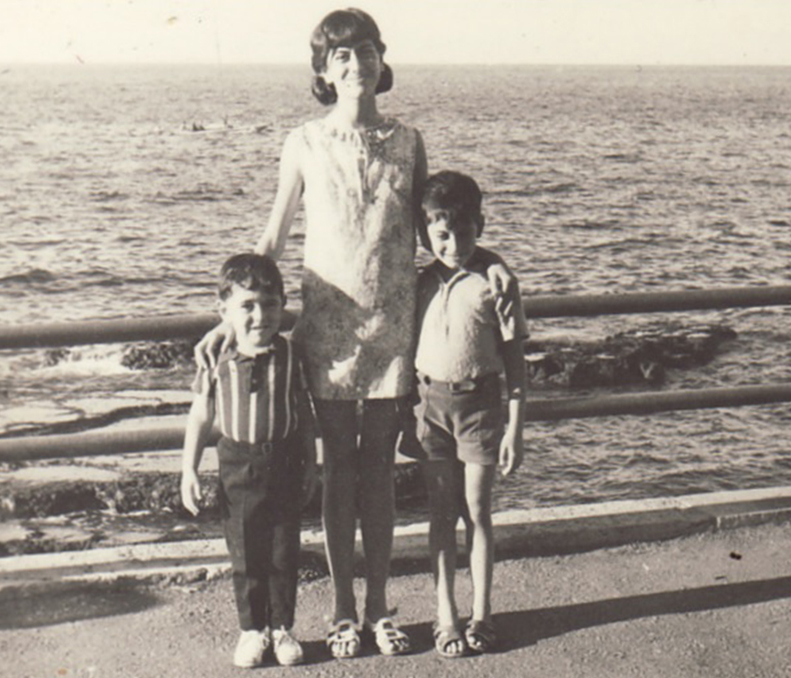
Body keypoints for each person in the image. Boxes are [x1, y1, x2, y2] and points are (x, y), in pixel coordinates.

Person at [194, 7, 516, 660]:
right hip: (329, 338)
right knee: (339, 474)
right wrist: (226, 320)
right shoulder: (304, 143)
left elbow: (439, 231)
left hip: (396, 333)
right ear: (323, 70)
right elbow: (274, 236)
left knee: (378, 476)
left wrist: (495, 262)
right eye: (341, 56)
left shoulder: (408, 140)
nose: (355, 64)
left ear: (380, 60)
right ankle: (343, 612)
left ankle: (379, 609)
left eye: (365, 51)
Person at [181, 253, 317, 669]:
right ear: (224, 311)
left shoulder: (291, 354)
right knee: (245, 552)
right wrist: (188, 468)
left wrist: (312, 463)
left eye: (271, 304)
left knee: (282, 551)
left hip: (286, 461)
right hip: (236, 465)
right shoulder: (216, 358)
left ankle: (282, 629)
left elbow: (304, 411)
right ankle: (252, 629)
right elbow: (201, 413)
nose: (261, 316)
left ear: (283, 306)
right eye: (247, 306)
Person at [412, 171, 528, 658]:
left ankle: (482, 614)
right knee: (441, 515)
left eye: (464, 232)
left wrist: (515, 430)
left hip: (480, 407)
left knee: (477, 512)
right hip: (428, 407)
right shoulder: (418, 283)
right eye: (441, 235)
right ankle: (446, 614)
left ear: (480, 225)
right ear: (425, 235)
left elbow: (516, 366)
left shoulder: (495, 283)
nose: (454, 244)